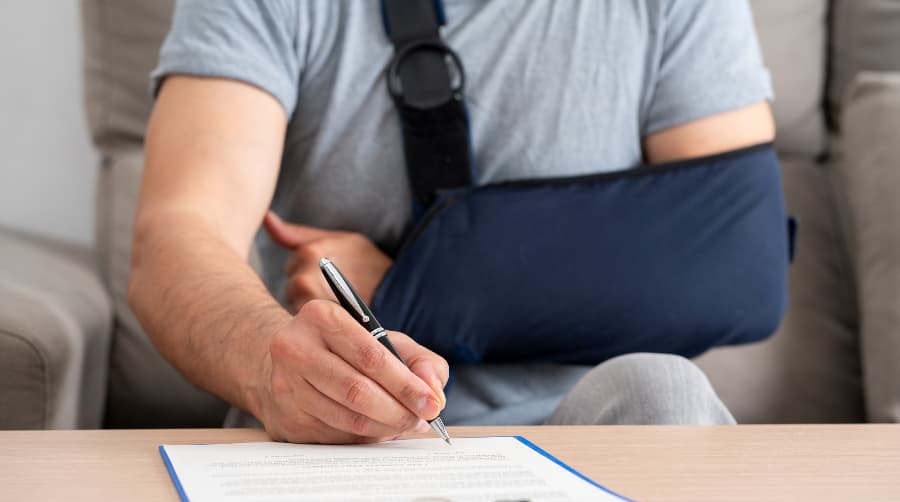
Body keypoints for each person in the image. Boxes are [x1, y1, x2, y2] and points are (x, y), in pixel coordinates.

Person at [130, 0, 775, 443]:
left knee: (664, 389)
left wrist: (414, 287)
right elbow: (179, 233)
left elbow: (735, 268)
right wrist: (270, 366)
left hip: (601, 431)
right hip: (344, 436)